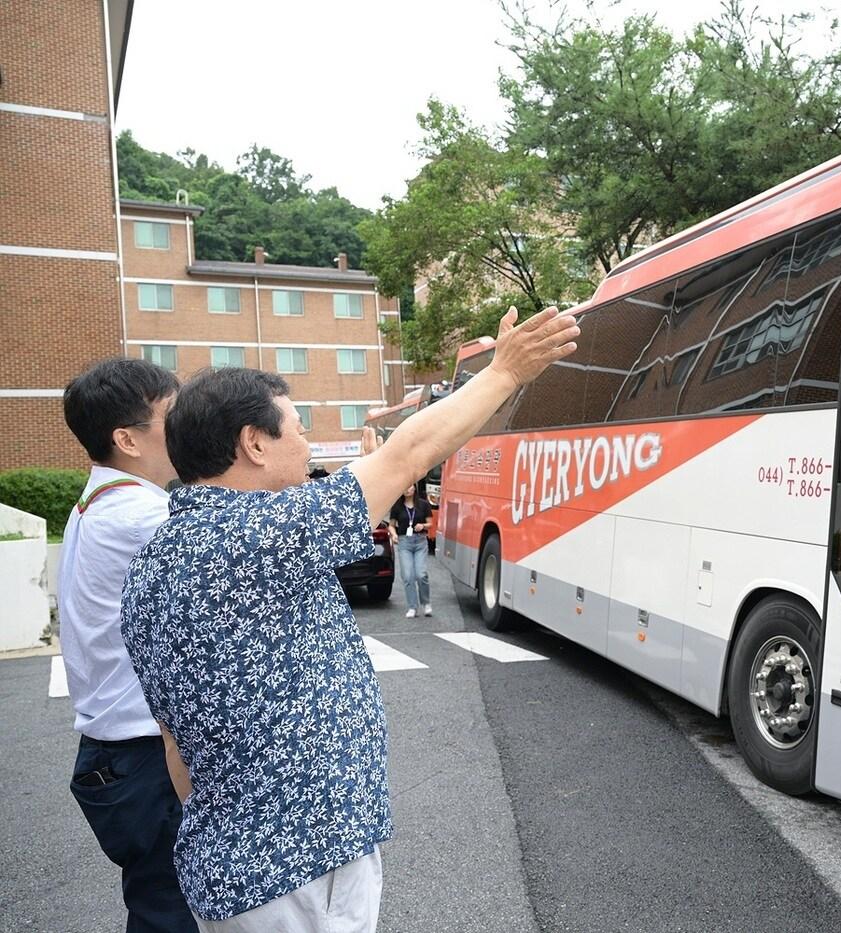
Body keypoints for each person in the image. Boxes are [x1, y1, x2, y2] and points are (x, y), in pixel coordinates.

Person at [120, 306, 577, 932]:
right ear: (253, 444)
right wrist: (503, 371)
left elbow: (177, 747)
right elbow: (407, 456)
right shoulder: (255, 534)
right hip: (299, 872)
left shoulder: (154, 564)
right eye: (297, 429)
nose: (308, 446)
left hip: (236, 867)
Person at [57, 358, 198, 932]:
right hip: (144, 758)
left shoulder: (99, 503)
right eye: (174, 415)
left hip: (115, 756)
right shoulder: (141, 514)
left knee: (160, 902)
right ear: (127, 439)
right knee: (175, 912)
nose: (189, 425)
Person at [388, 483, 433, 618]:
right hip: (404, 543)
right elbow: (391, 526)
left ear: (414, 488)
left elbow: (430, 524)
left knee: (421, 574)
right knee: (408, 576)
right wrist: (394, 534)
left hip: (420, 541)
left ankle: (426, 603)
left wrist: (423, 525)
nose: (407, 489)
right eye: (404, 487)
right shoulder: (397, 506)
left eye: (409, 486)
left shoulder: (423, 504)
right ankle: (412, 607)